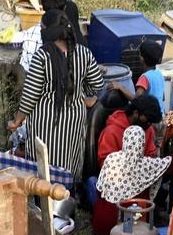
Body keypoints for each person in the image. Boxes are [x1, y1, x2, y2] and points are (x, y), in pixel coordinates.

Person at [9, 10, 104, 180]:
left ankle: (45, 193)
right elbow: (97, 84)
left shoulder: (42, 57)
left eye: (42, 28)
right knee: (69, 161)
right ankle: (68, 192)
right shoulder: (84, 53)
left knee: (45, 165)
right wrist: (80, 93)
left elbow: (30, 96)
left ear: (49, 31)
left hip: (46, 123)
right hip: (74, 121)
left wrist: (17, 121)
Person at [91, 93, 164, 235]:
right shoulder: (111, 131)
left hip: (139, 183)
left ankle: (140, 225)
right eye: (147, 120)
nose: (149, 125)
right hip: (117, 182)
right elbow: (104, 162)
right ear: (136, 113)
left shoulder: (147, 129)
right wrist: (126, 168)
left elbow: (150, 153)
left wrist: (145, 166)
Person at [111, 41, 166, 113]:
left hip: (149, 116)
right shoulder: (159, 74)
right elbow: (163, 97)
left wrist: (120, 87)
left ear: (142, 58)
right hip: (161, 114)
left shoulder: (145, 77)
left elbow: (136, 100)